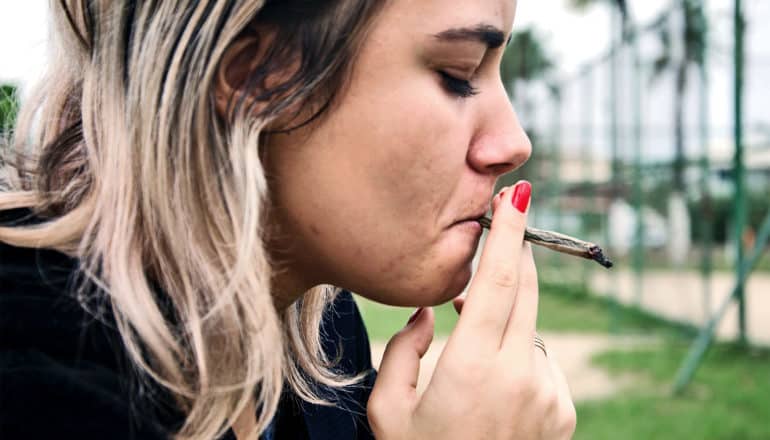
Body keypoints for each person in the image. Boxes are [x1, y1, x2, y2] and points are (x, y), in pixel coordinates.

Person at [0, 0, 576, 438]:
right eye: (458, 72)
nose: (513, 143)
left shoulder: (329, 352)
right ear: (255, 79)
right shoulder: (37, 380)